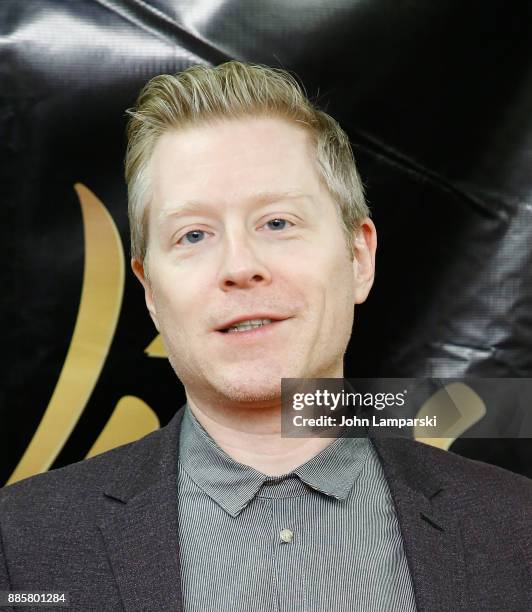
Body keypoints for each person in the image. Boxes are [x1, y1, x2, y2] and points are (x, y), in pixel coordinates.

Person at [1, 61, 531, 612]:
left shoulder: (518, 532)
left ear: (358, 258)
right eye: (194, 234)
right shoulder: (19, 548)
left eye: (277, 223)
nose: (239, 265)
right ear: (151, 292)